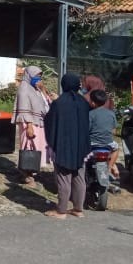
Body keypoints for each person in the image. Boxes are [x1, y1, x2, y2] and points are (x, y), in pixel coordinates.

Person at [44, 73, 91, 219]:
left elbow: (50, 122)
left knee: (64, 178)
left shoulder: (59, 103)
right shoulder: (84, 102)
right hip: (81, 145)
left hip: (64, 146)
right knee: (79, 177)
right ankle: (78, 209)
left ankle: (61, 211)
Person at [13, 65, 52, 186]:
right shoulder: (24, 88)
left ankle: (31, 171)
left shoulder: (35, 88)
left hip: (38, 122)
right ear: (30, 75)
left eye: (40, 76)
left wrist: (43, 89)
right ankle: (26, 174)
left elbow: (46, 103)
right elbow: (24, 107)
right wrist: (29, 126)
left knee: (36, 148)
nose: (39, 78)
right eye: (36, 76)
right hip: (29, 123)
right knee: (28, 147)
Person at [88, 88, 121, 178]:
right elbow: (113, 131)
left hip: (92, 143)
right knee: (116, 148)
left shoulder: (90, 114)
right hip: (107, 143)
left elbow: (87, 129)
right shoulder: (111, 114)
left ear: (93, 103)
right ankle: (110, 167)